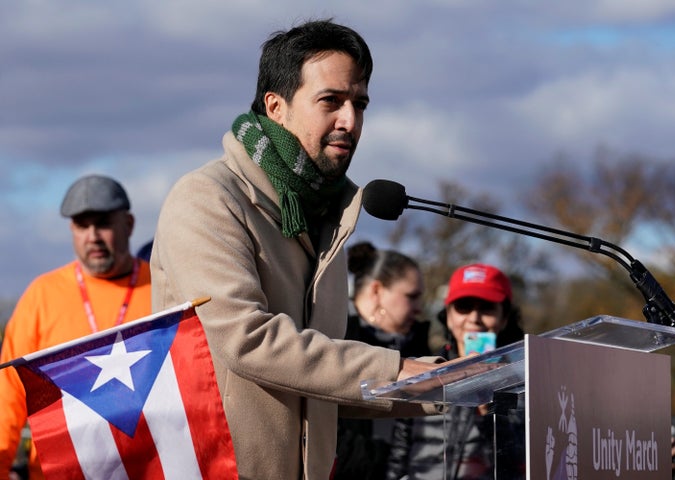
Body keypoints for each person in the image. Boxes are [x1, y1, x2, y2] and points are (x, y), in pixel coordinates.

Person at [150, 19, 442, 480]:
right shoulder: (207, 198)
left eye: (359, 104)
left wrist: (445, 386)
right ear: (276, 107)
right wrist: (401, 369)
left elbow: (318, 386)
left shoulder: (329, 214)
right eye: (331, 101)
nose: (350, 121)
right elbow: (247, 342)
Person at [0, 174, 152, 480]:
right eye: (82, 225)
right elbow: (7, 396)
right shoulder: (42, 295)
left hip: (147, 469)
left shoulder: (163, 286)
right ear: (72, 230)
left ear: (129, 224)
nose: (93, 236)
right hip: (57, 472)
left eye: (104, 222)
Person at [386, 263, 525, 480]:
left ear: (504, 317)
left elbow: (518, 460)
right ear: (448, 316)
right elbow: (399, 454)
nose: (474, 318)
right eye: (464, 306)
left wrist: (490, 408)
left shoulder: (520, 380)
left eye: (487, 307)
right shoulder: (424, 372)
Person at [335, 241, 433, 479]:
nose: (419, 308)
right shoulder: (334, 337)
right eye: (412, 296)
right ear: (377, 291)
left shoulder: (419, 343)